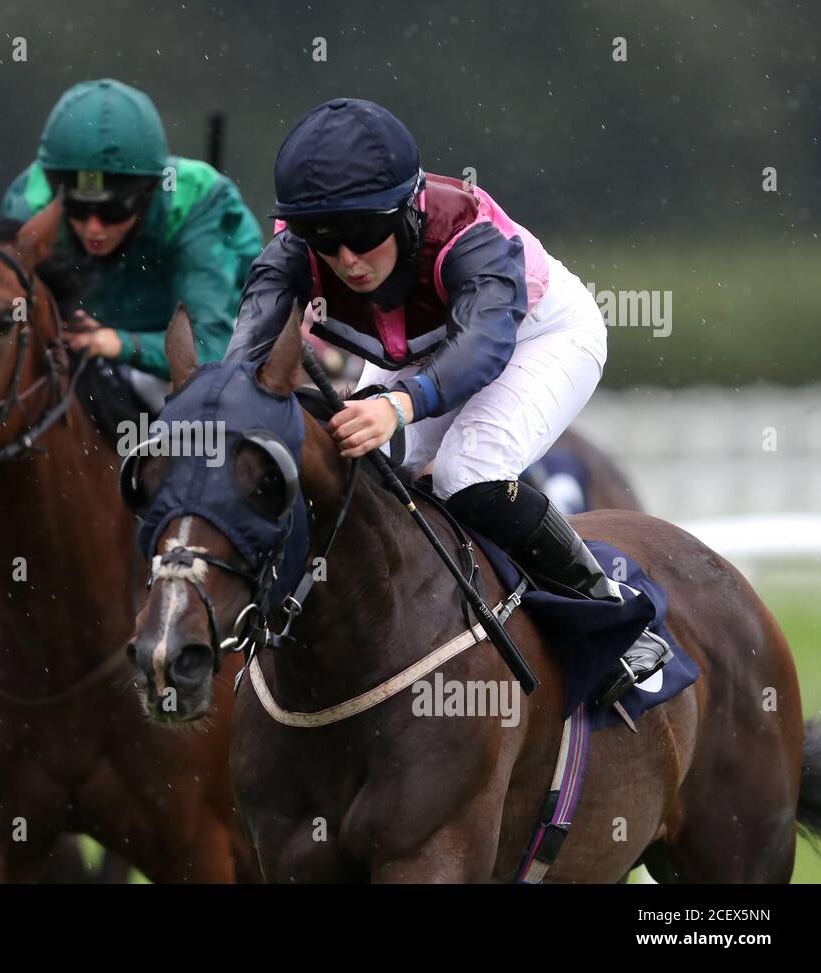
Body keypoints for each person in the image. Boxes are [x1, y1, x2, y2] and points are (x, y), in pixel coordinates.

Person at [226, 98, 670, 709]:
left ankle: (620, 625)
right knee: (356, 464)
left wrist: (401, 405)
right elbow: (244, 357)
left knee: (469, 472)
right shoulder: (296, 252)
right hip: (418, 347)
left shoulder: (467, 232)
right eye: (324, 241)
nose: (347, 260)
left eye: (362, 234)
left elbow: (483, 348)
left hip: (535, 336)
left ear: (408, 208)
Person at [3, 78, 261, 412]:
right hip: (87, 360)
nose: (94, 228)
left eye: (113, 210)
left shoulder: (197, 202)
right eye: (77, 210)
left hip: (204, 352)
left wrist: (118, 343)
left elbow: (210, 349)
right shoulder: (31, 205)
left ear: (149, 192)